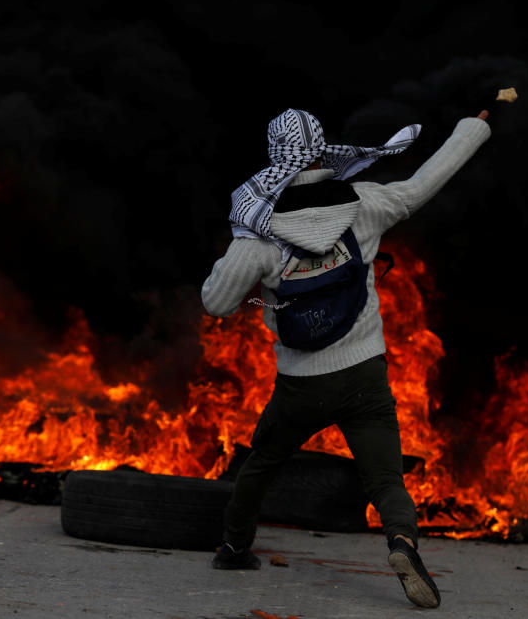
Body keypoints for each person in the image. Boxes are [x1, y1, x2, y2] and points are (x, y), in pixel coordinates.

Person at [201, 106, 491, 608]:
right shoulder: (365, 204)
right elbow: (423, 184)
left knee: (264, 462)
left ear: (276, 157)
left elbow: (217, 302)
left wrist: (244, 259)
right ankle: (401, 542)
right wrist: (473, 129)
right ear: (321, 151)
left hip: (300, 385)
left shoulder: (261, 231)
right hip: (364, 376)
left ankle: (233, 546)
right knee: (384, 477)